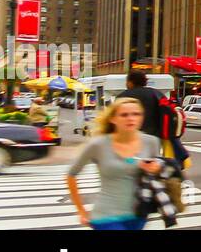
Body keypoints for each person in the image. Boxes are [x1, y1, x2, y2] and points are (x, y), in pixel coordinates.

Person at [66, 97, 164, 230]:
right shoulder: (98, 144)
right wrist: (81, 210)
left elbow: (158, 173)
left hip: (139, 214)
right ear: (113, 119)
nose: (131, 118)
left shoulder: (151, 142)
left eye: (136, 114)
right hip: (106, 216)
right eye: (124, 115)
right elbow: (71, 175)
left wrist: (156, 168)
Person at [117, 71, 163, 138]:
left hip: (130, 136)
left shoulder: (122, 96)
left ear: (130, 82)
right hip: (155, 135)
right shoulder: (156, 94)